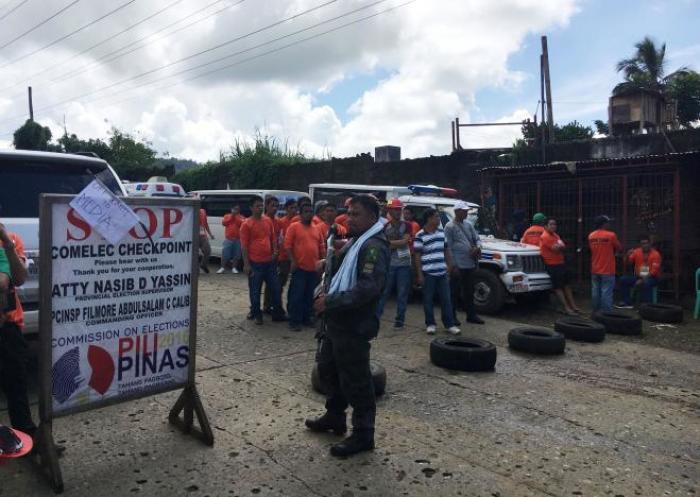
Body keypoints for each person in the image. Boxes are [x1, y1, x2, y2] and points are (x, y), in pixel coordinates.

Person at [306, 194, 389, 457]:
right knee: (329, 369)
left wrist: (330, 301)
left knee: (357, 381)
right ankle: (334, 417)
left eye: (356, 214)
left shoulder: (374, 246)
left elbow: (367, 288)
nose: (349, 218)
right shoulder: (356, 242)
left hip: (355, 324)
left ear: (372, 218)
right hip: (337, 323)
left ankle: (364, 434)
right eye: (349, 213)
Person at [0, 223, 37, 444]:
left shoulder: (11, 239)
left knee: (17, 385)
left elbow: (19, 278)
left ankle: (26, 437)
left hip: (9, 326)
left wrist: (6, 241)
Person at [240, 196, 286, 325]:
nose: (260, 208)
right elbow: (244, 246)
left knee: (276, 289)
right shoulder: (246, 224)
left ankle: (277, 313)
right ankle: (256, 314)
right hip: (255, 264)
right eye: (257, 206)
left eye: (261, 205)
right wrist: (246, 264)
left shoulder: (267, 221)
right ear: (251, 208)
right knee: (255, 291)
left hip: (269, 263)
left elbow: (272, 238)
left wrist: (275, 252)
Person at [414, 209, 460, 335]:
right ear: (429, 219)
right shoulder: (420, 235)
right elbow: (417, 256)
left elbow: (446, 251)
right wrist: (419, 274)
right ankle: (430, 324)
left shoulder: (441, 233)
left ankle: (449, 324)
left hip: (442, 272)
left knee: (446, 299)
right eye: (436, 217)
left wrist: (450, 266)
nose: (438, 219)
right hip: (428, 273)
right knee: (428, 299)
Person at [284, 203, 324, 331]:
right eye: (306, 211)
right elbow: (288, 246)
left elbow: (321, 247)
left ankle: (306, 319)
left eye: (311, 211)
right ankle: (294, 321)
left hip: (313, 269)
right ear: (300, 214)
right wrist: (293, 261)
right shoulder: (294, 227)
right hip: (300, 268)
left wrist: (322, 262)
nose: (309, 214)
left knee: (309, 296)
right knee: (297, 296)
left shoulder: (316, 228)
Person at [445, 201, 484, 325]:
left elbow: (477, 239)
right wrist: (453, 265)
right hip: (458, 264)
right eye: (464, 211)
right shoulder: (449, 226)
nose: (466, 213)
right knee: (454, 292)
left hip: (470, 263)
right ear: (457, 212)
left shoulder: (468, 224)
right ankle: (452, 316)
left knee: (469, 291)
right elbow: (448, 247)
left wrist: (478, 247)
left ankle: (471, 315)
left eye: (467, 211)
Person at [376, 198, 412, 330]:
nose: (397, 212)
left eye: (399, 209)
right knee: (384, 292)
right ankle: (376, 318)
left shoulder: (407, 225)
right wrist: (397, 242)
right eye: (395, 210)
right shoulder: (385, 226)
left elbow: (405, 241)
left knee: (402, 293)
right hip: (389, 263)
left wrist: (391, 243)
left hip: (404, 263)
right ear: (390, 211)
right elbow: (386, 244)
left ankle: (400, 321)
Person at [540, 218, 581, 315]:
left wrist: (560, 247)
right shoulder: (545, 236)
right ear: (545, 226)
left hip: (560, 263)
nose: (554, 226)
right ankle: (566, 308)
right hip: (552, 265)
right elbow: (556, 248)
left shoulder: (555, 235)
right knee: (558, 287)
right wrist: (560, 247)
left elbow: (562, 247)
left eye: (555, 224)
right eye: (551, 224)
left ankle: (573, 306)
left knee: (566, 285)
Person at [617, 235, 662, 308]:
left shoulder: (656, 254)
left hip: (652, 278)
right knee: (623, 279)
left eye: (646, 243)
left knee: (646, 283)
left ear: (650, 244)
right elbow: (628, 263)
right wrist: (627, 255)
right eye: (642, 244)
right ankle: (626, 302)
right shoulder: (637, 251)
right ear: (640, 245)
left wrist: (642, 279)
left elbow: (654, 271)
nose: (645, 245)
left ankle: (646, 305)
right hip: (638, 276)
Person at [588, 215, 622, 312]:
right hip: (608, 268)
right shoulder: (611, 235)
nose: (609, 224)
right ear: (604, 224)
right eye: (608, 222)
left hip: (595, 268)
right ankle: (607, 314)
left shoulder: (591, 236)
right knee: (606, 292)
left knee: (595, 291)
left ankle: (596, 311)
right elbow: (619, 247)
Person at [218, 205, 245, 274]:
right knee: (225, 254)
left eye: (237, 209)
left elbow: (241, 224)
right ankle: (222, 268)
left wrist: (235, 217)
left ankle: (234, 268)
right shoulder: (227, 216)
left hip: (238, 239)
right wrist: (232, 216)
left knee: (237, 255)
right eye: (234, 209)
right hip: (228, 239)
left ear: (239, 210)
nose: (236, 210)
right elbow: (224, 223)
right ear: (231, 209)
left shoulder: (242, 217)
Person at [198, 208, 214, 273]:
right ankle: (195, 268)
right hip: (193, 235)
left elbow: (205, 224)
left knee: (208, 250)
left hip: (202, 235)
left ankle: (203, 265)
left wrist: (210, 234)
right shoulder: (191, 210)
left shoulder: (203, 211)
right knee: (195, 253)